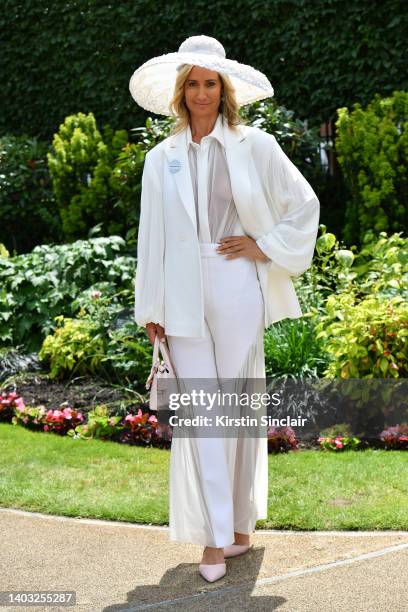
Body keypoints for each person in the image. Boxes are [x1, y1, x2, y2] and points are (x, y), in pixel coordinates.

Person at [129, 35, 320, 583]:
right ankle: (215, 541)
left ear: (224, 89)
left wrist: (262, 245)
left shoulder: (254, 145)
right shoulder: (159, 158)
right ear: (180, 91)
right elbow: (151, 239)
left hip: (237, 284)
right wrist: (152, 309)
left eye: (210, 83)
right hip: (181, 293)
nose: (201, 93)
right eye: (192, 83)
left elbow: (302, 204)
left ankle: (239, 527)